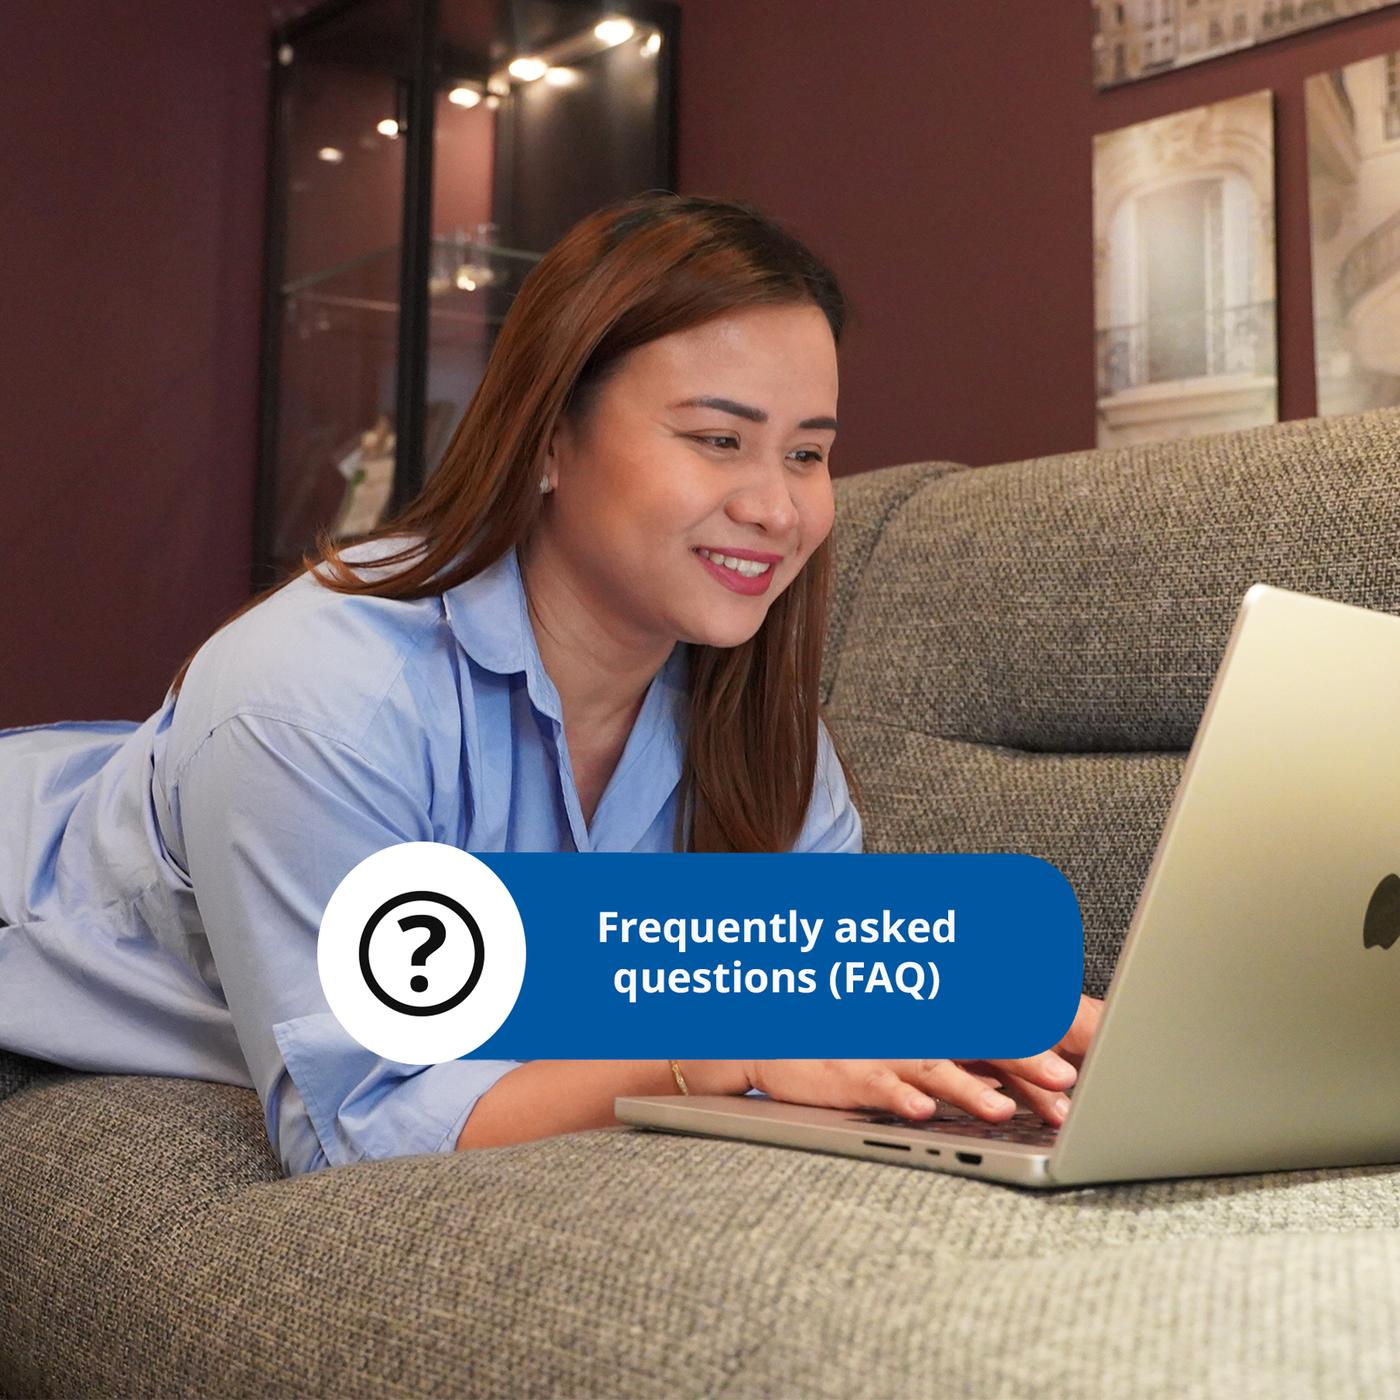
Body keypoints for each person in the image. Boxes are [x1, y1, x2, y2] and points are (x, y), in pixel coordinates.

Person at [0, 191, 1101, 1176]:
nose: (777, 507)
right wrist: (710, 1057)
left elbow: (802, 980)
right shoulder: (314, 696)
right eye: (718, 437)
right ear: (547, 441)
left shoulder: (746, 716)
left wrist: (957, 996)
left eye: (807, 453)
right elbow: (366, 1122)